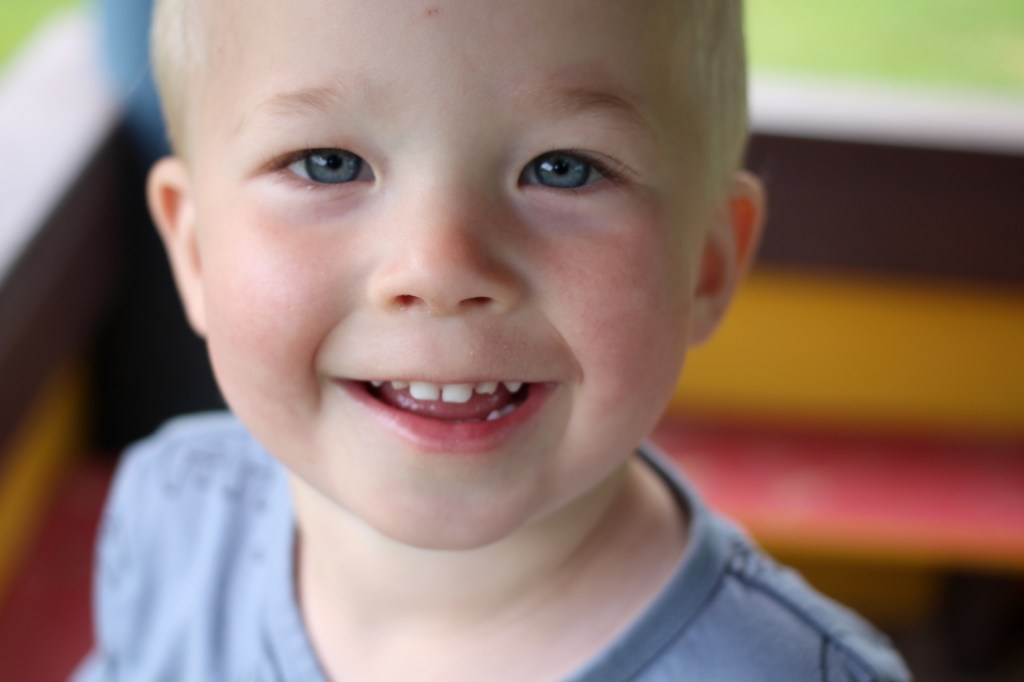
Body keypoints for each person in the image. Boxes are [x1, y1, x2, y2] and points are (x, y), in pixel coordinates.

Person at [75, 0, 911, 680]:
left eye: (563, 168)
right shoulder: (173, 516)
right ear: (194, 250)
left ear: (706, 267)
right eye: (328, 162)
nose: (440, 267)